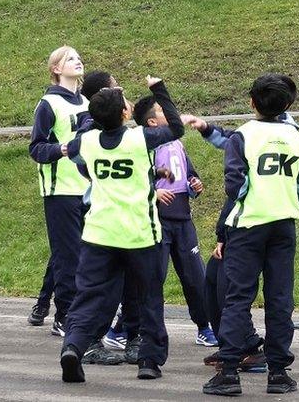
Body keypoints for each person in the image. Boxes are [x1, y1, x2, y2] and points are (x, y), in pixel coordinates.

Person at [59, 76, 183, 383]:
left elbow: (75, 157)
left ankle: (73, 346)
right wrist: (159, 89)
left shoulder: (87, 142)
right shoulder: (139, 138)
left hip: (99, 233)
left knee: (88, 295)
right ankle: (149, 361)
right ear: (125, 115)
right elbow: (177, 129)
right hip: (139, 234)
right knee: (149, 297)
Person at [202, 74, 299, 397]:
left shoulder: (242, 136)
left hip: (248, 225)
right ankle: (278, 373)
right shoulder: (296, 137)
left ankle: (229, 373)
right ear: (287, 106)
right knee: (280, 299)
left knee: (238, 297)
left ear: (252, 103)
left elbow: (234, 185)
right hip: (283, 225)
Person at [133, 96, 219, 347]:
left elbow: (189, 173)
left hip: (183, 219)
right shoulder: (145, 148)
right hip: (157, 221)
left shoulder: (177, 143)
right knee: (153, 278)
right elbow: (136, 179)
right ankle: (131, 328)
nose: (168, 114)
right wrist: (153, 192)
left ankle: (205, 327)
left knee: (195, 277)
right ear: (152, 122)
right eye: (161, 111)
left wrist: (195, 184)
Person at [29, 46, 89, 337]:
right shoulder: (49, 104)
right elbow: (36, 148)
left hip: (88, 188)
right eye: (69, 59)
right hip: (60, 190)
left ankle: (85, 312)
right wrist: (64, 149)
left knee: (90, 254)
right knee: (68, 257)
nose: (77, 61)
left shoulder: (87, 101)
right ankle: (64, 316)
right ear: (56, 69)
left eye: (78, 57)